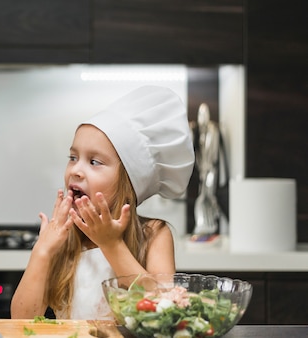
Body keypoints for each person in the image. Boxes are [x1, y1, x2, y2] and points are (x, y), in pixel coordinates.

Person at [10, 85, 195, 320]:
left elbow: (163, 311)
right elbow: (21, 320)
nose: (76, 170)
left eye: (94, 162)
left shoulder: (154, 234)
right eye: (73, 158)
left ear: (128, 182)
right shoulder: (64, 237)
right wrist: (43, 250)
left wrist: (111, 244)